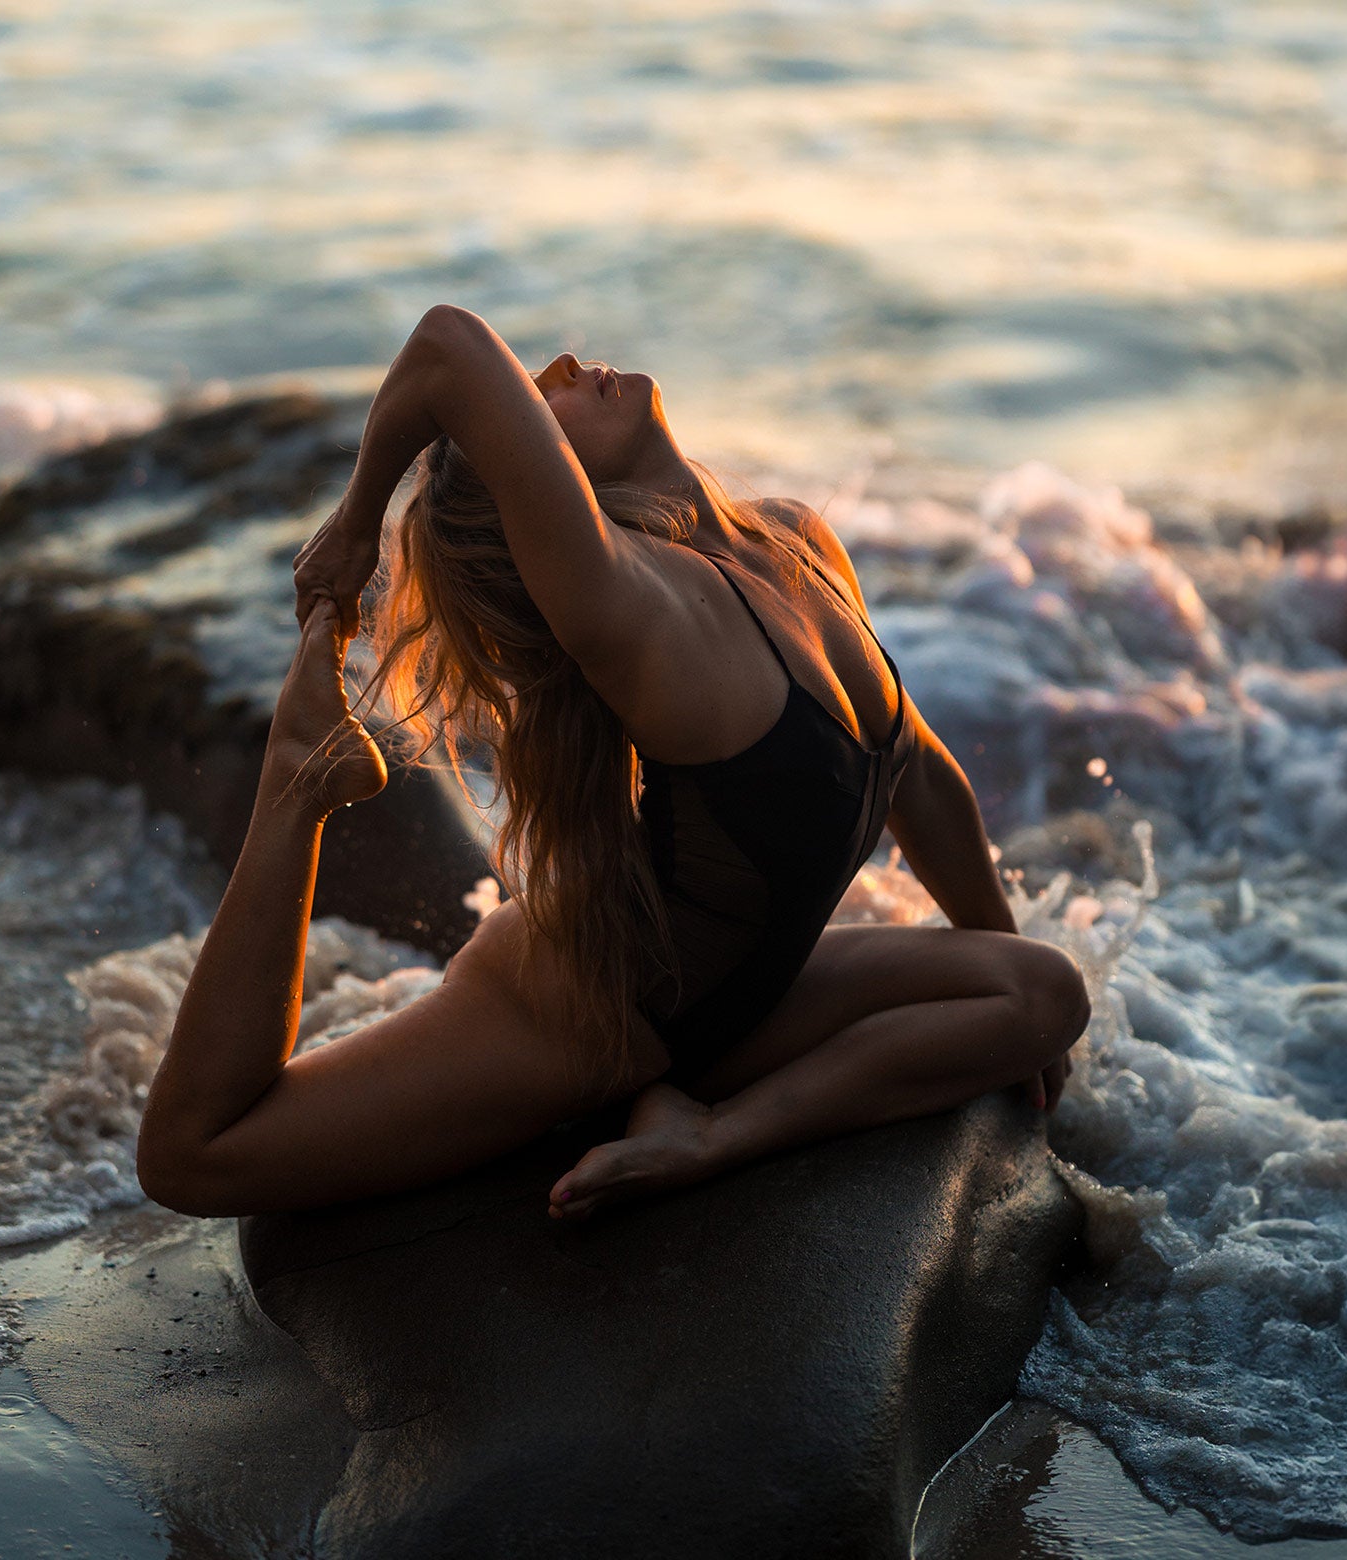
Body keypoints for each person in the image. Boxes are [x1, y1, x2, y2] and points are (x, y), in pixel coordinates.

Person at [133, 305, 1088, 1221]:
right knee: (197, 1153)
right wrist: (353, 529)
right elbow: (446, 347)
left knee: (1040, 991)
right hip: (584, 1011)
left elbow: (917, 773)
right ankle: (298, 780)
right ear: (545, 499)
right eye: (536, 408)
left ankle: (707, 1127)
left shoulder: (792, 543)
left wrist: (989, 938)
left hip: (733, 1003)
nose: (555, 370)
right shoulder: (634, 610)